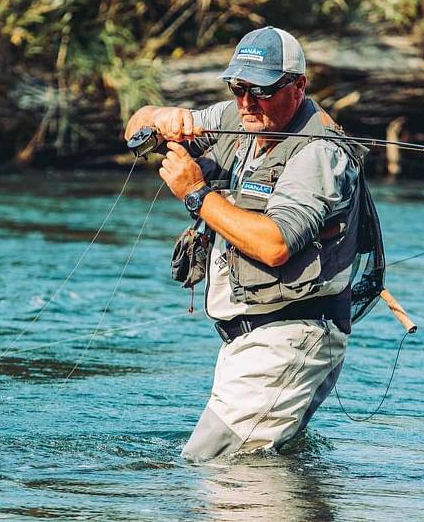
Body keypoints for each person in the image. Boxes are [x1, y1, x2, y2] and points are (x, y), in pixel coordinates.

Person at [124, 26, 369, 461]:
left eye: (262, 90)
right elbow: (133, 132)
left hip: (289, 336)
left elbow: (275, 244)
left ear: (298, 87)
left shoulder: (319, 154)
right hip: (251, 339)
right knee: (254, 476)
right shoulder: (236, 118)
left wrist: (196, 194)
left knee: (211, 465)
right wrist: (158, 116)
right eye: (237, 87)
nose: (246, 102)